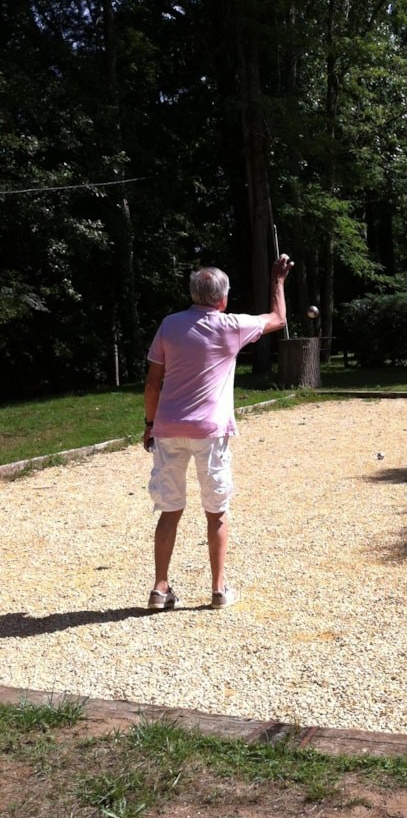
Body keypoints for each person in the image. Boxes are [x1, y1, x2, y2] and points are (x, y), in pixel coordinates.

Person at [143, 254, 294, 609]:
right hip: (210, 432)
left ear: (192, 294)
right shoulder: (231, 326)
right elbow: (278, 319)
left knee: (169, 510)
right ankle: (218, 590)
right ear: (223, 299)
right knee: (216, 511)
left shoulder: (169, 325)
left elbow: (152, 382)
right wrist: (277, 281)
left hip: (168, 428)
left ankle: (160, 589)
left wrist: (150, 424)